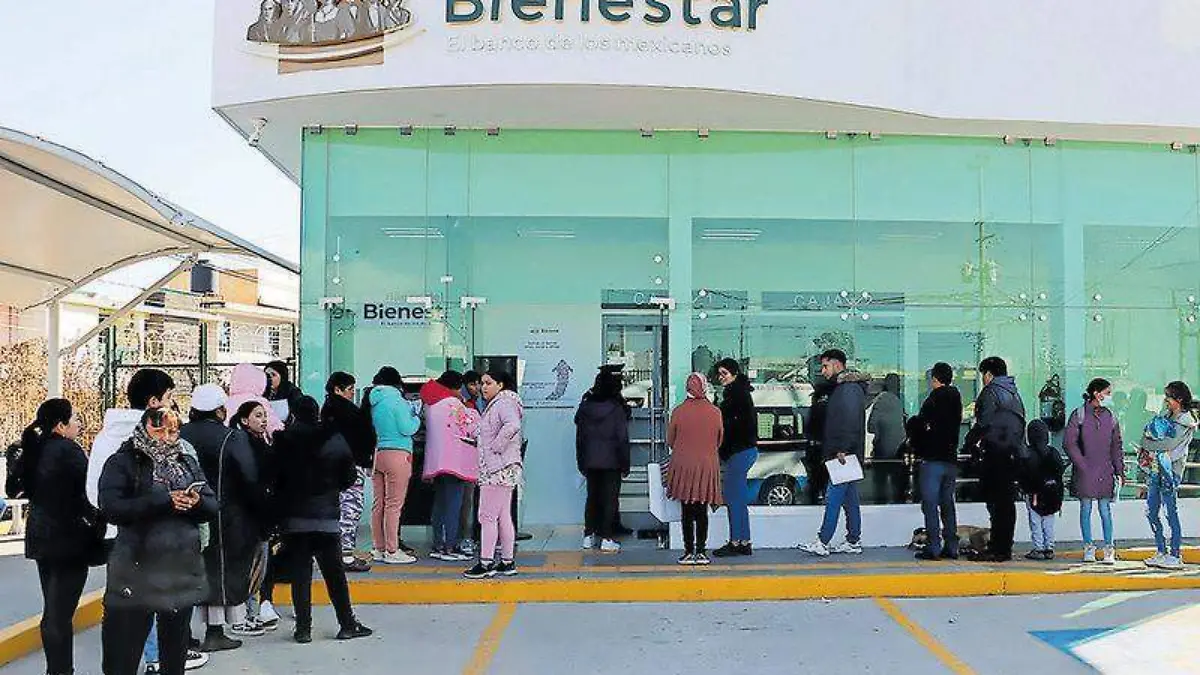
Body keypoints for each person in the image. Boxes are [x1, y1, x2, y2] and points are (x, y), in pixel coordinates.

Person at [85, 369, 209, 673]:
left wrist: (194, 503)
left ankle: (152, 658)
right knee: (140, 638)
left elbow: (95, 495)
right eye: (169, 397)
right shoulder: (129, 454)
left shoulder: (106, 438)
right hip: (142, 555)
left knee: (142, 638)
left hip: (148, 553)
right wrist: (165, 502)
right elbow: (112, 502)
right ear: (153, 402)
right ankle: (153, 658)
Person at [274, 396, 373, 644]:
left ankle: (303, 628)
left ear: (293, 414)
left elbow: (274, 477)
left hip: (294, 520)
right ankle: (347, 623)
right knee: (335, 574)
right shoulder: (333, 439)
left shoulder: (283, 440)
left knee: (300, 575)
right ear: (316, 413)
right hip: (326, 519)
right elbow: (348, 476)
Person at [181, 384, 267, 652]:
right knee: (220, 573)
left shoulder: (180, 433)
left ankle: (182, 634)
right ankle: (215, 632)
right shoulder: (232, 437)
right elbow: (250, 477)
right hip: (226, 517)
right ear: (219, 410)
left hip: (184, 515)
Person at [18, 399, 96, 675]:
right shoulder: (69, 451)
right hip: (69, 539)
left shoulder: (33, 448)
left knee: (53, 610)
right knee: (59, 615)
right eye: (74, 418)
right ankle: (61, 671)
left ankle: (57, 669)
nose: (79, 423)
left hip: (40, 538)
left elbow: (15, 487)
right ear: (61, 425)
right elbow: (90, 491)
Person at [800, 350, 870, 557]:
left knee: (833, 498)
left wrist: (843, 448)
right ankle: (853, 540)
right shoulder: (845, 388)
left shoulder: (847, 389)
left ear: (837, 365)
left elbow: (849, 420)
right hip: (845, 452)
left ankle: (823, 541)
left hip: (843, 454)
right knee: (850, 499)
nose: (823, 371)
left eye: (825, 366)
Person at [464, 371, 524, 579]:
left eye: (488, 383)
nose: (483, 387)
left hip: (496, 469)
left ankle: (486, 562)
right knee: (503, 516)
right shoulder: (500, 404)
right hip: (504, 468)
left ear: (501, 385)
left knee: (487, 516)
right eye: (482, 383)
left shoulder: (502, 403)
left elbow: (513, 425)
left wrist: (495, 447)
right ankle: (507, 561)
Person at [966, 357, 1026, 563]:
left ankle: (997, 548)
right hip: (1012, 453)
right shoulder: (1014, 393)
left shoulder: (990, 392)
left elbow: (983, 423)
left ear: (989, 374)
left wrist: (970, 442)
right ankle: (1004, 547)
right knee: (1006, 503)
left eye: (983, 375)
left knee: (996, 503)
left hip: (995, 452)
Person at [229, 400, 282, 632]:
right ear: (244, 420)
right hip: (252, 516)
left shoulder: (262, 442)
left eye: (264, 415)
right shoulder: (246, 445)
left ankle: (255, 611)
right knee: (253, 565)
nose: (263, 420)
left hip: (260, 515)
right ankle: (249, 614)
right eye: (258, 416)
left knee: (260, 565)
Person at [363, 366, 421, 564]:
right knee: (394, 505)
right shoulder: (398, 401)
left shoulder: (372, 400)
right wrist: (416, 416)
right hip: (398, 454)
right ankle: (392, 550)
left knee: (378, 503)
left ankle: (378, 548)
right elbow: (407, 428)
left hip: (378, 454)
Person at [1064, 378, 1124, 565]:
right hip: (1086, 472)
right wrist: (1083, 465)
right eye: (1107, 393)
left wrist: (1120, 471)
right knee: (1086, 509)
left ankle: (1108, 548)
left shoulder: (1111, 416)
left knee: (1105, 510)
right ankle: (1088, 547)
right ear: (1097, 394)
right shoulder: (1079, 415)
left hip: (1105, 472)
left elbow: (1116, 446)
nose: (1110, 396)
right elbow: (1069, 443)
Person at [321, 372, 377, 572]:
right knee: (350, 509)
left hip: (335, 467)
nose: (352, 393)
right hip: (350, 466)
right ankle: (345, 556)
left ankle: (337, 554)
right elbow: (364, 434)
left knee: (341, 510)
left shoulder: (328, 410)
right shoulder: (346, 411)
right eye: (350, 389)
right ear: (337, 389)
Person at [421, 371, 480, 561]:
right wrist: (471, 410)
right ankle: (450, 547)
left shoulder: (429, 403)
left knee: (439, 504)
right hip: (454, 462)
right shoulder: (453, 403)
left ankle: (438, 544)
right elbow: (470, 427)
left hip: (435, 461)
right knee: (454, 505)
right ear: (454, 387)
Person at [666, 373, 724, 565]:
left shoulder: (678, 411)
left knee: (687, 510)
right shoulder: (715, 412)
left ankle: (688, 551)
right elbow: (719, 439)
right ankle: (701, 551)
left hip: (683, 465)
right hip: (706, 466)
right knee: (702, 509)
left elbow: (670, 440)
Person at [1139, 381, 1197, 570]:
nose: (1166, 400)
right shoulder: (1167, 416)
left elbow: (1167, 444)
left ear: (1179, 399)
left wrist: (1149, 443)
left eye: (1169, 397)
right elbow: (1147, 436)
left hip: (1171, 472)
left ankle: (1175, 554)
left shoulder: (1185, 421)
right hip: (1156, 469)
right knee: (1151, 511)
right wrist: (1150, 442)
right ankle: (1161, 551)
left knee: (1170, 512)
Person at [575, 366, 632, 554]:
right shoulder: (616, 408)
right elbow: (622, 438)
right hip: (612, 460)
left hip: (590, 459)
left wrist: (581, 461)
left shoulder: (585, 406)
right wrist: (625, 463)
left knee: (592, 497)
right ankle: (607, 538)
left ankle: (588, 535)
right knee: (610, 499)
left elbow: (580, 437)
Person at [912, 363, 964, 561]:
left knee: (930, 505)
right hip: (950, 459)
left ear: (934, 379)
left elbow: (919, 426)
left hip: (932, 459)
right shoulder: (957, 400)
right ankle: (951, 545)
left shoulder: (932, 400)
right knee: (947, 504)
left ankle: (933, 546)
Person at [712, 359, 758, 558]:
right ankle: (743, 541)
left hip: (738, 452)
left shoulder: (735, 395)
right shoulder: (741, 393)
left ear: (734, 373)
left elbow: (728, 425)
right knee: (737, 498)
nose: (721, 377)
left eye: (724, 373)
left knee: (733, 498)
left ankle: (736, 542)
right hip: (745, 451)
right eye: (719, 374)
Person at [1022, 419, 1064, 560]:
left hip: (1034, 494)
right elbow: (1060, 471)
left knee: (1035, 521)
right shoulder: (1053, 452)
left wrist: (1024, 488)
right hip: (1052, 494)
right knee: (1049, 521)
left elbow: (1024, 474)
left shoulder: (1028, 453)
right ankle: (1049, 547)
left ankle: (1038, 548)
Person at [868, 373, 907, 504]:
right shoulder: (899, 401)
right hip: (899, 451)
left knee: (880, 484)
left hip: (882, 449)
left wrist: (880, 432)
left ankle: (881, 504)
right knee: (897, 485)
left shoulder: (881, 400)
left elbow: (871, 426)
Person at [226, 363, 285, 436]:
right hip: (255, 441)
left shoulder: (227, 402)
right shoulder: (260, 402)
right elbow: (273, 425)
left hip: (231, 440)